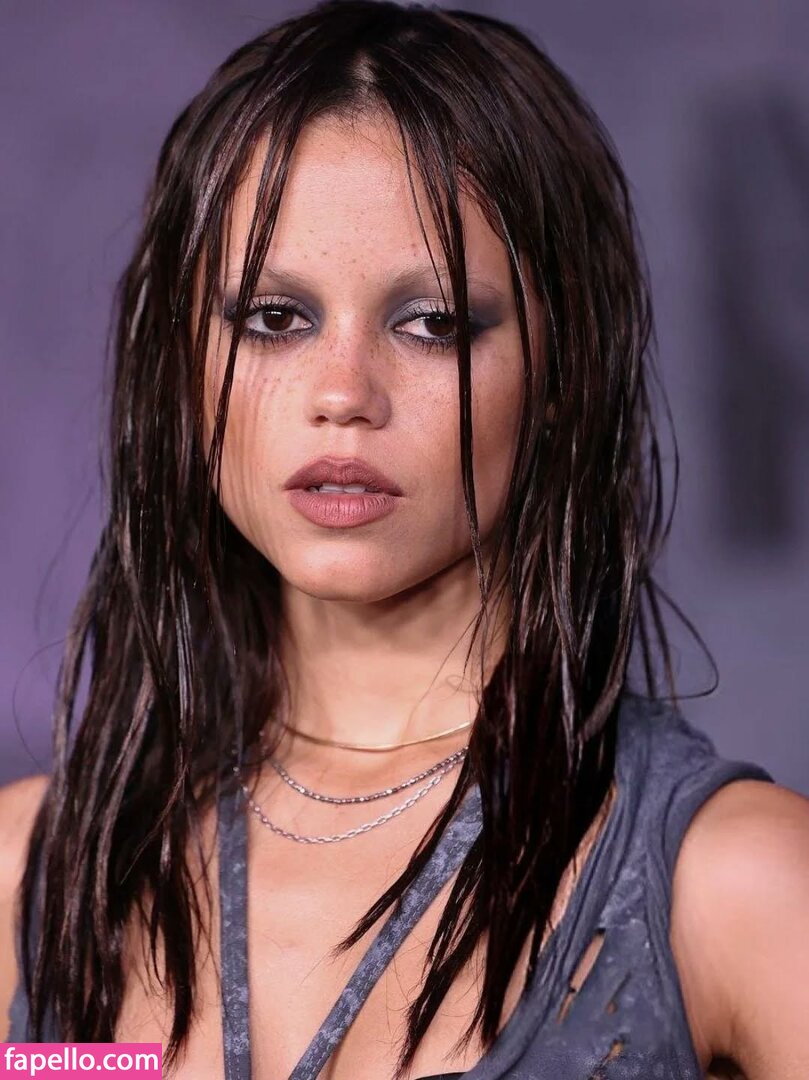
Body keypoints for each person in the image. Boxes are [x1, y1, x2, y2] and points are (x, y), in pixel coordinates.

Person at [1, 1, 808, 1077]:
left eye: (431, 324)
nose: (342, 393)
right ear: (179, 365)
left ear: (562, 374)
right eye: (273, 318)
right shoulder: (23, 876)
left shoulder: (739, 885)